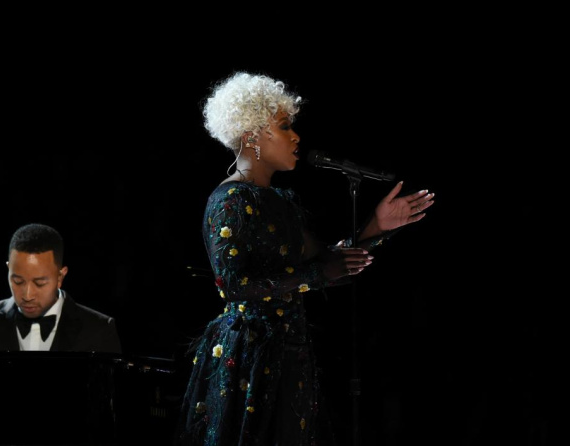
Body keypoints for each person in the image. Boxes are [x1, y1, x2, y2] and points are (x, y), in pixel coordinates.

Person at [174, 72, 434, 445]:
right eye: (284, 127)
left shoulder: (281, 203)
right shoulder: (230, 201)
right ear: (251, 135)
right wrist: (316, 273)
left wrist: (377, 226)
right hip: (248, 354)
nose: (295, 137)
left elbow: (329, 265)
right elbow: (233, 286)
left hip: (288, 350)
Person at [0, 222, 122, 353]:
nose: (28, 295)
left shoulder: (98, 330)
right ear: (8, 270)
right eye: (18, 281)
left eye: (39, 283)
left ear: (60, 277)